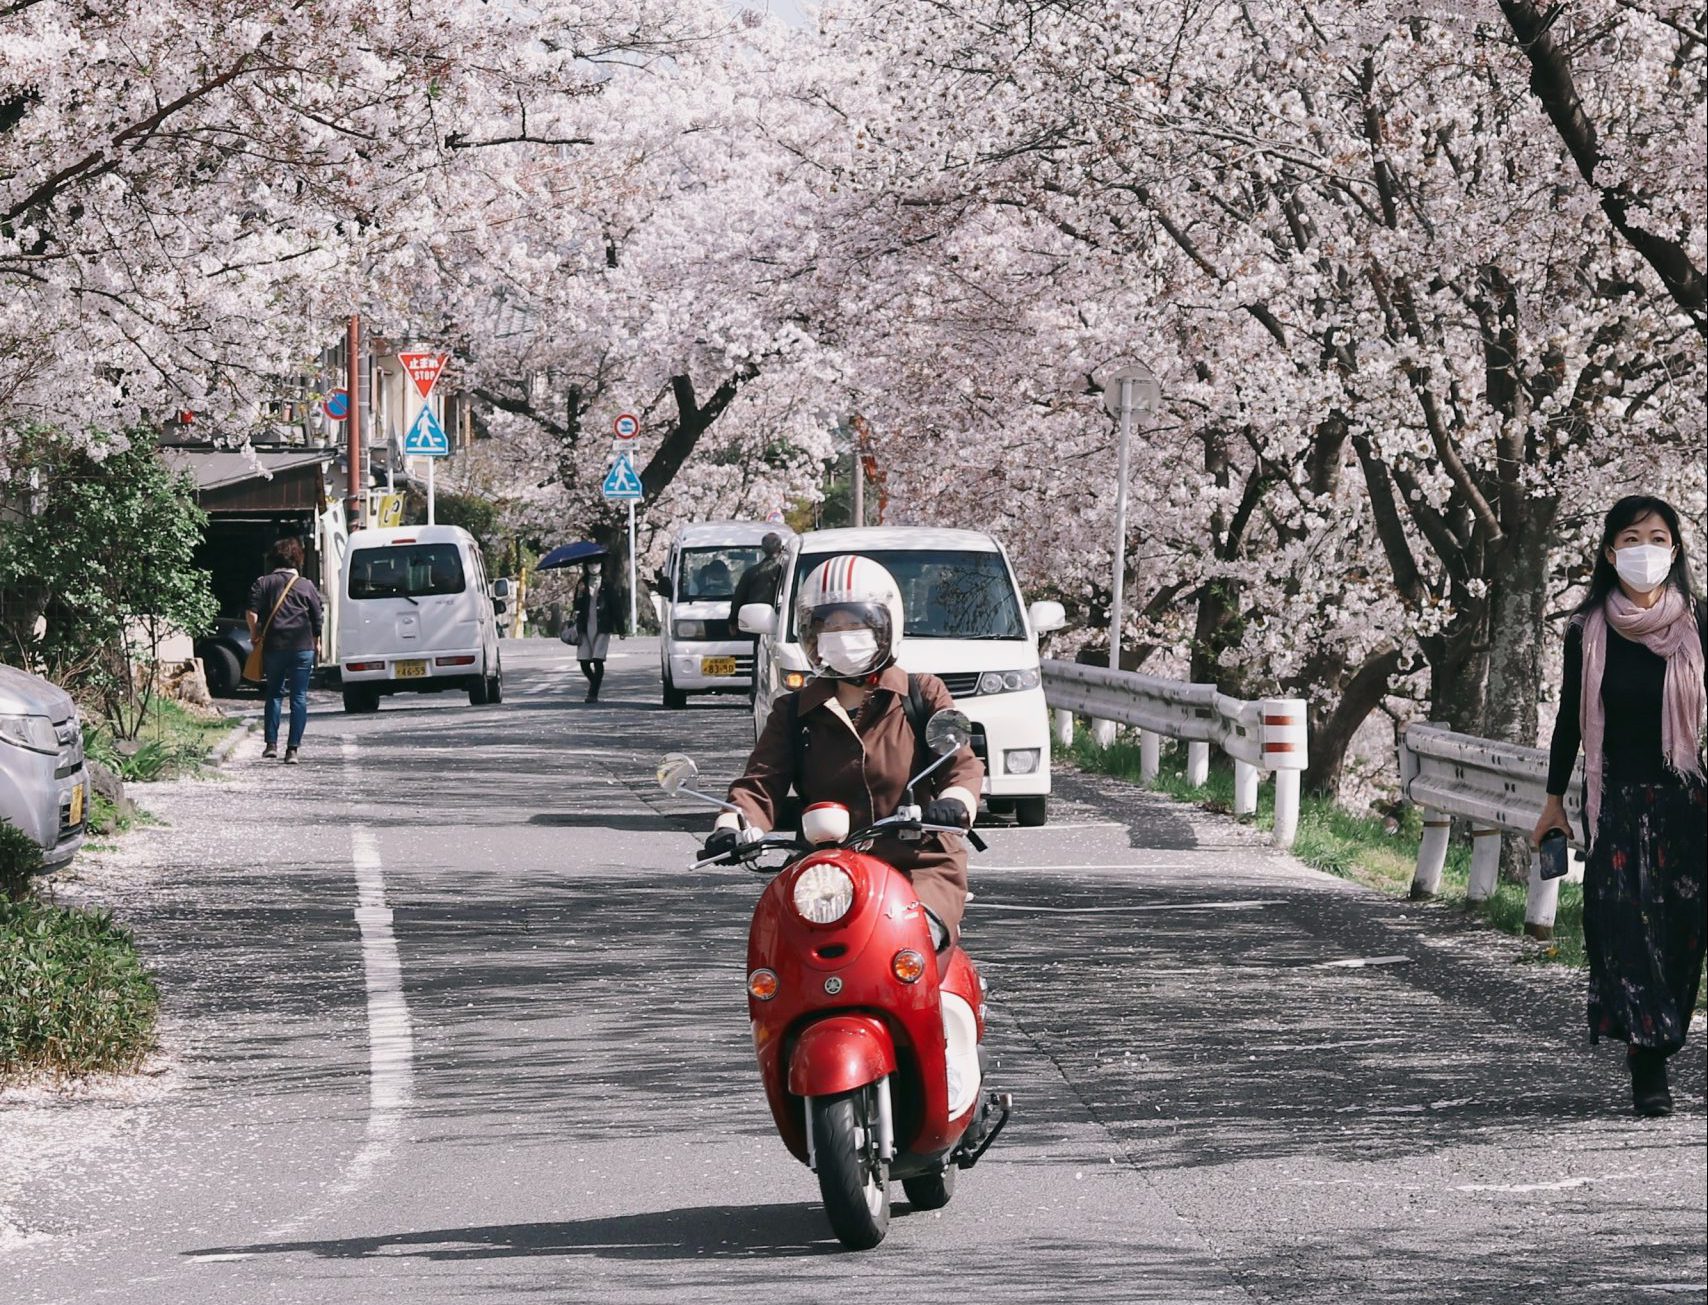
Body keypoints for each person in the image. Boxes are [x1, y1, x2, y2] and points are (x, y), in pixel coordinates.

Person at [703, 555, 983, 949]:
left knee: (913, 947)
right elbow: (760, 782)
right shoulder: (793, 711)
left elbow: (960, 764)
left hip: (919, 862)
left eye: (854, 623)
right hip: (828, 871)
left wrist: (954, 803)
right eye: (828, 625)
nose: (840, 635)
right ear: (811, 636)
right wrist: (731, 827)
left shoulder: (922, 694)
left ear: (885, 628)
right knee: (787, 953)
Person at [1534, 495, 1706, 1118]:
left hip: (1687, 803)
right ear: (1611, 551)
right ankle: (1647, 1064)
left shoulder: (1699, 625)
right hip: (1617, 804)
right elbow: (1568, 721)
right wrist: (1554, 801)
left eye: (1658, 538)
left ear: (1675, 550)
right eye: (1633, 538)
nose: (1646, 549)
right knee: (1626, 930)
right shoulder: (1588, 629)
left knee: (1683, 936)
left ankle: (1664, 1034)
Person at [246, 536, 323, 764]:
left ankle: (271, 745)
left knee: (274, 693)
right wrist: (316, 641)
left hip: (274, 647)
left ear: (273, 559)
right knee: (299, 696)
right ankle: (293, 751)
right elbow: (317, 618)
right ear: (297, 559)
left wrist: (254, 634)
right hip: (302, 647)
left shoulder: (262, 583)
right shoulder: (306, 586)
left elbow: (251, 613)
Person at [729, 532, 785, 696]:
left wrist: (733, 621)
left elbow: (738, 598)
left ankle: (756, 693)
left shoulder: (752, 572)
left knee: (760, 659)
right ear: (780, 548)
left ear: (762, 549)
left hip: (759, 623)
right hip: (784, 621)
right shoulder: (786, 571)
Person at [569, 562, 622, 703]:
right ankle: (595, 683)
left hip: (603, 627)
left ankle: (593, 693)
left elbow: (616, 606)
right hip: (585, 627)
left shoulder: (607, 584)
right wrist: (580, 593)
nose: (594, 566)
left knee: (598, 660)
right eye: (590, 563)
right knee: (584, 661)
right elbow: (576, 606)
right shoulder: (582, 584)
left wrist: (621, 628)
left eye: (597, 563)